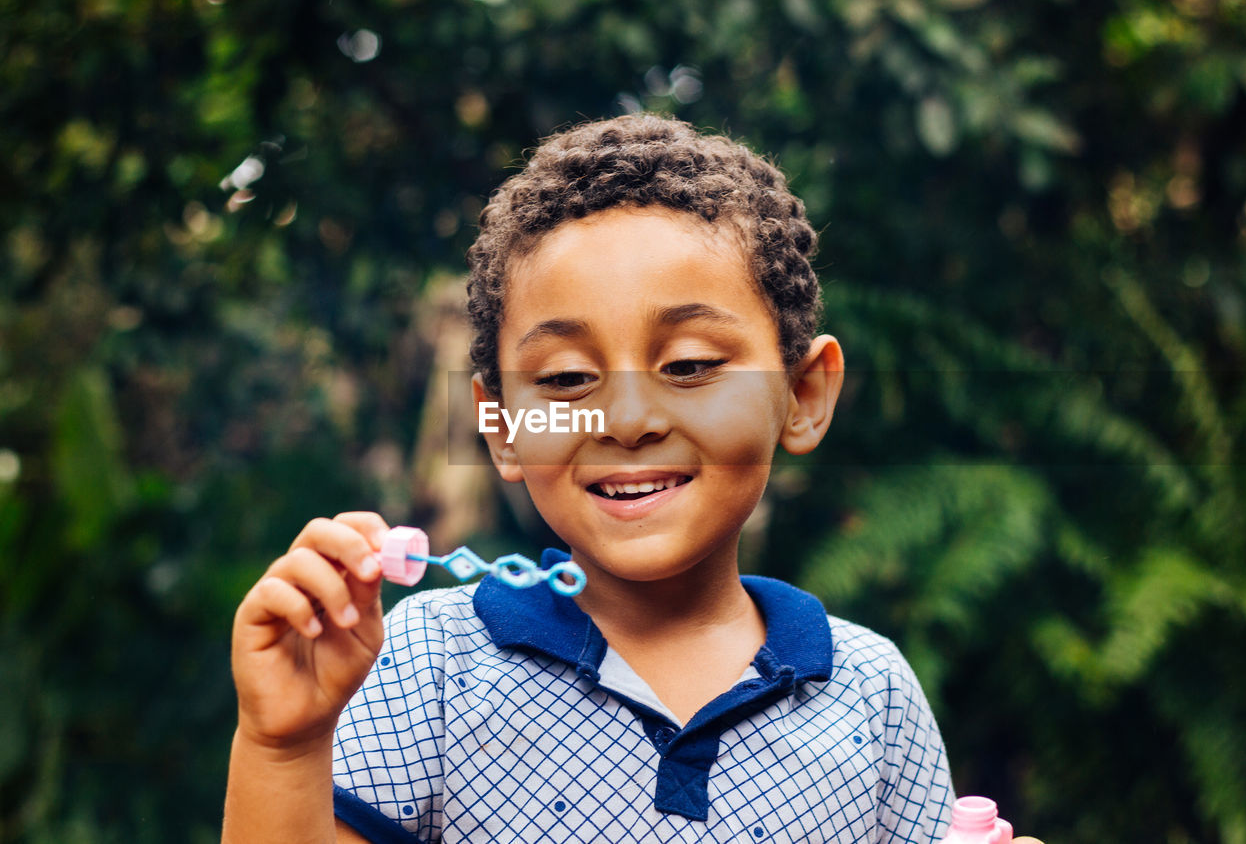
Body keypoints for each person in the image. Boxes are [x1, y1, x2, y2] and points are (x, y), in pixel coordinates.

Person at [223, 115, 1040, 843]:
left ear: (802, 395)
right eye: (567, 378)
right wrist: (282, 743)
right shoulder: (428, 664)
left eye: (688, 364)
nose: (624, 418)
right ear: (502, 425)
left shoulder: (869, 697)